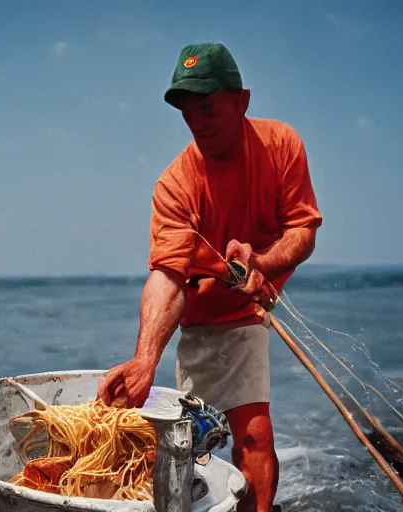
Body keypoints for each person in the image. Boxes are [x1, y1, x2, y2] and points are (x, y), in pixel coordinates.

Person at [97, 43, 322, 512]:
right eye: (186, 110)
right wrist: (143, 361)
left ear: (241, 101)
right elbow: (167, 277)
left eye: (208, 107)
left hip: (248, 309)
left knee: (254, 433)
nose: (197, 120)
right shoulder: (174, 185)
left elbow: (302, 229)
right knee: (190, 448)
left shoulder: (281, 145)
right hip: (195, 320)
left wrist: (261, 263)